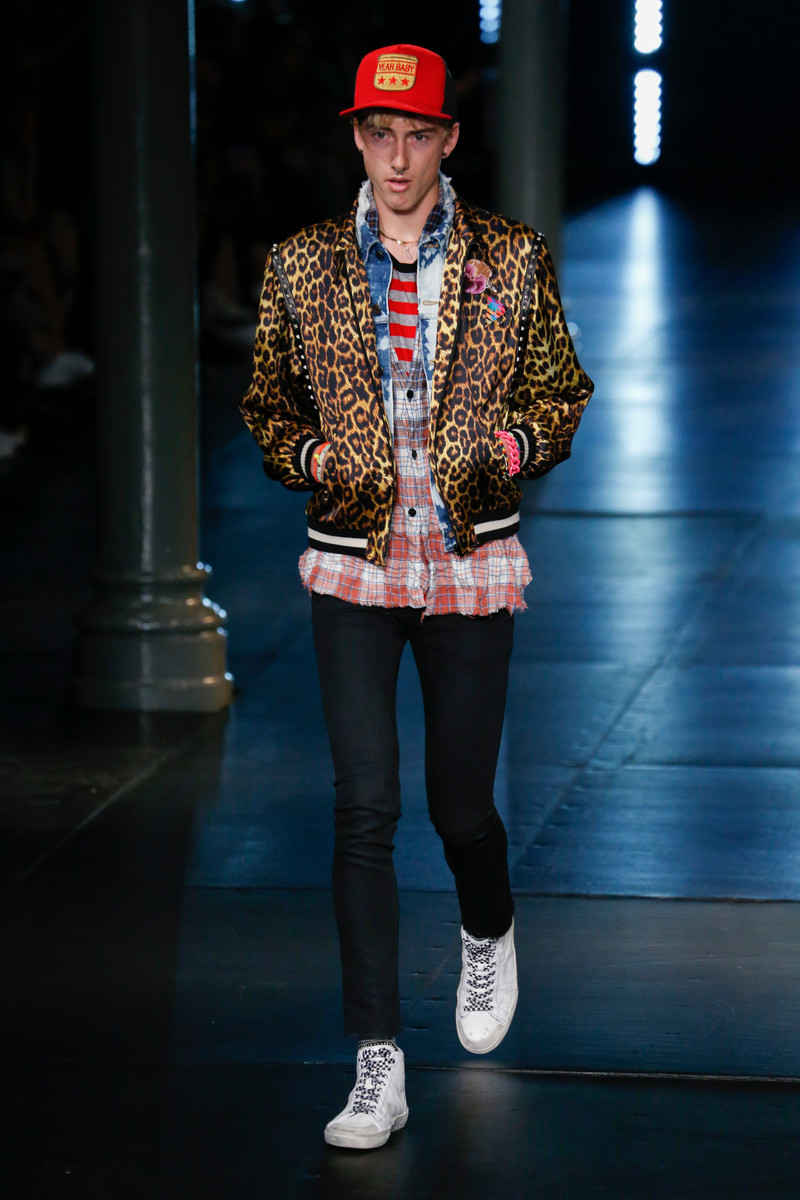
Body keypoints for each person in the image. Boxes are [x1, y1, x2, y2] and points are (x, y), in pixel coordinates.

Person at [241, 43, 593, 1150]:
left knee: (459, 809)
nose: (396, 157)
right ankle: (376, 1064)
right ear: (357, 136)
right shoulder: (302, 265)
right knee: (363, 807)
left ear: (448, 139)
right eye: (378, 133)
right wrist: (311, 456)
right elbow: (266, 403)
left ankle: (487, 927)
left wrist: (507, 447)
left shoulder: (509, 257)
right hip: (354, 559)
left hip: (466, 556)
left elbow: (560, 392)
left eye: (417, 135)